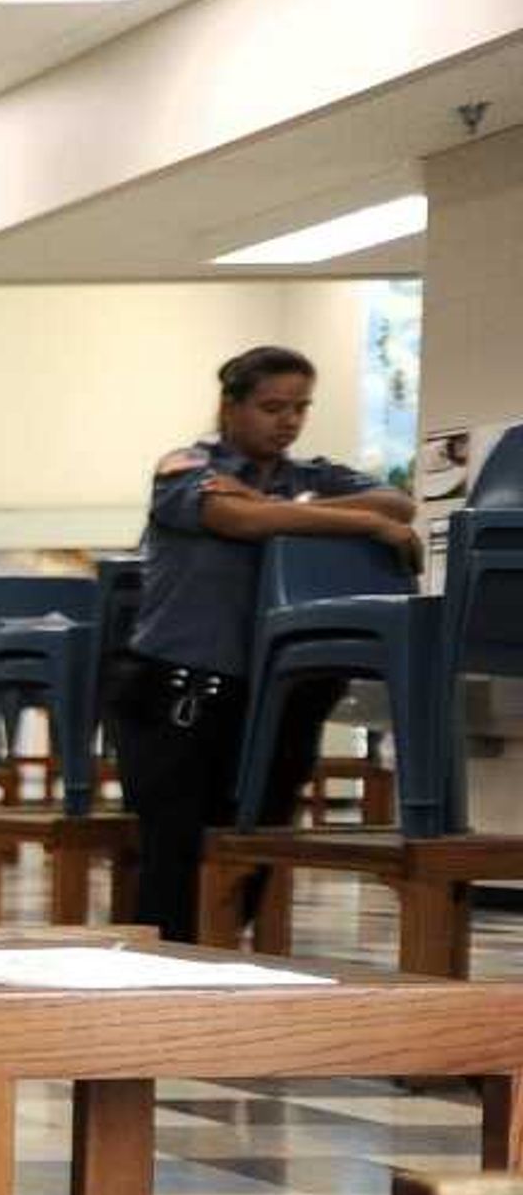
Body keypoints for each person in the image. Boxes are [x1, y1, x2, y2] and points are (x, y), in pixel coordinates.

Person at [103, 344, 423, 940]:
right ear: (231, 406)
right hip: (180, 682)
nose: (289, 421)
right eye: (272, 406)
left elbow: (398, 501)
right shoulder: (186, 464)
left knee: (255, 844)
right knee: (175, 852)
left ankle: (222, 976)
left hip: (278, 691)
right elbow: (235, 519)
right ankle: (159, 988)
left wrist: (286, 507)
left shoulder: (314, 477)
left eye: (301, 407)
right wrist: (363, 524)